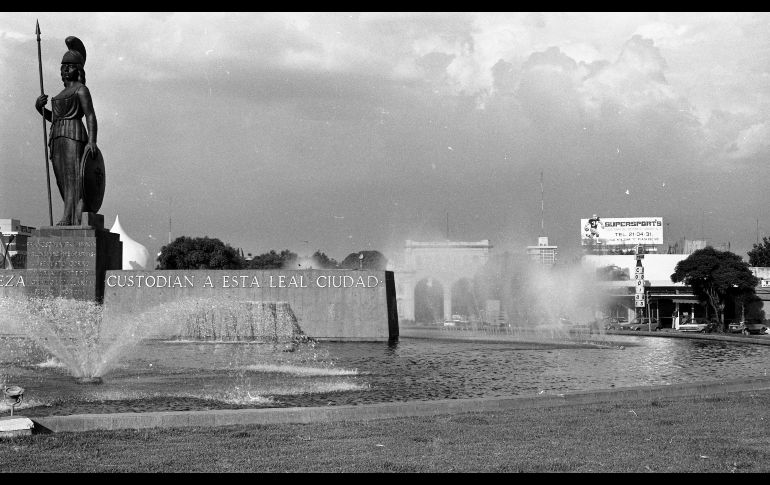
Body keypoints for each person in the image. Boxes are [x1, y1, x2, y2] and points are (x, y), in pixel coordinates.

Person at [34, 36, 98, 226]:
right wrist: (40, 109)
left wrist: (92, 141)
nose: (65, 70)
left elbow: (90, 116)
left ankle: (72, 217)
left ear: (78, 69)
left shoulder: (81, 90)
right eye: (63, 66)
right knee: (61, 179)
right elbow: (55, 118)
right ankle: (68, 215)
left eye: (70, 66)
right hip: (57, 136)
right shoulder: (61, 94)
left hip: (74, 134)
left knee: (74, 178)